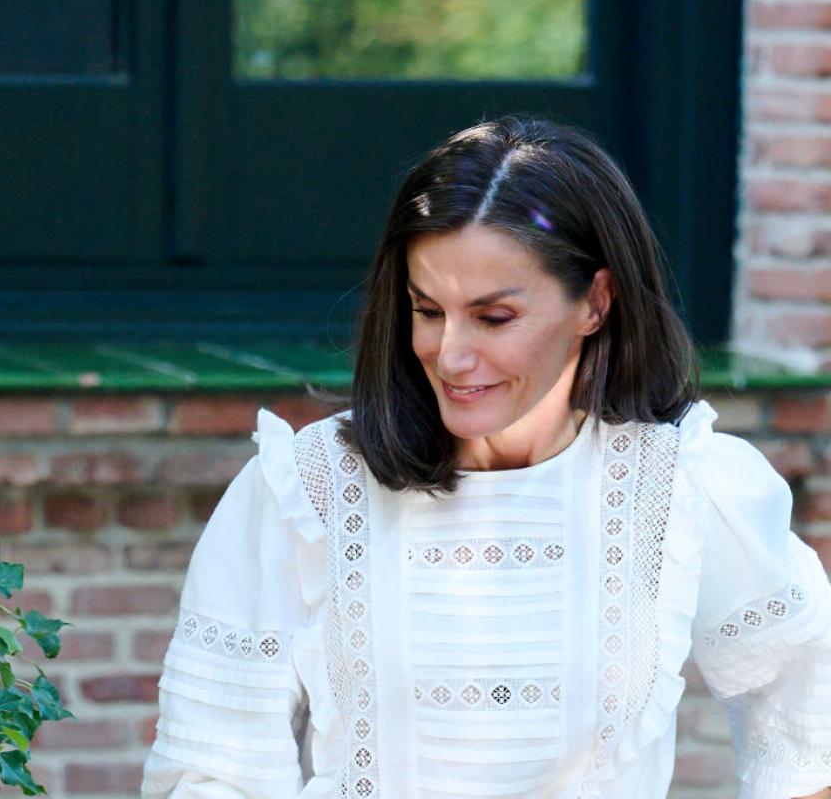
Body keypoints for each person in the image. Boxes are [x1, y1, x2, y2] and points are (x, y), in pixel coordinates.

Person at [139, 116, 831, 799]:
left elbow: (808, 720)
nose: (450, 355)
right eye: (427, 310)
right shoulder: (305, 486)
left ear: (595, 303)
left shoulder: (683, 485)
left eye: (493, 318)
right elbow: (214, 767)